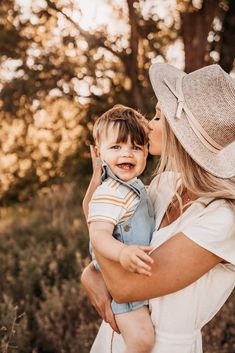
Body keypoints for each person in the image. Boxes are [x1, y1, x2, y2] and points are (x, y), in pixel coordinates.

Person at [81, 63, 235, 353]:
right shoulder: (165, 186)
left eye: (157, 116)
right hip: (113, 339)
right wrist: (90, 271)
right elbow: (105, 222)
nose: (148, 124)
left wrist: (94, 272)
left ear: (179, 133)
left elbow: (127, 287)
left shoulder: (222, 219)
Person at [83, 105, 156, 353]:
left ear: (147, 152)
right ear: (98, 153)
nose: (127, 154)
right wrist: (122, 253)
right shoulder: (110, 192)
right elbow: (98, 235)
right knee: (142, 340)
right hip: (123, 281)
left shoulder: (135, 187)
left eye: (136, 147)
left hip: (138, 281)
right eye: (116, 147)